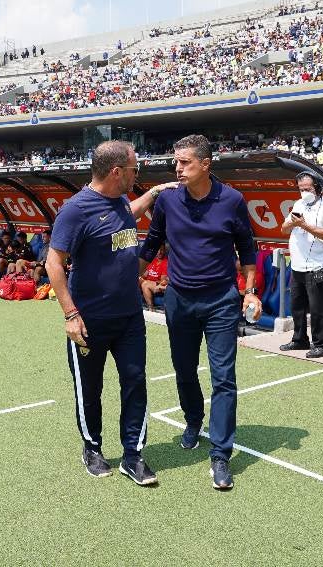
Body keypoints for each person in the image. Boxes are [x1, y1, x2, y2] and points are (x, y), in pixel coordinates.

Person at [47, 140, 174, 486]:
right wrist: (71, 314)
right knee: (90, 389)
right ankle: (92, 447)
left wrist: (154, 194)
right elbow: (54, 262)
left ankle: (133, 455)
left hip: (130, 318)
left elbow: (123, 215)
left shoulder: (119, 200)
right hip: (88, 320)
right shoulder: (75, 210)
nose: (139, 175)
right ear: (117, 172)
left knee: (135, 383)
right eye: (135, 169)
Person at [139, 134, 260, 490]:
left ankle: (220, 454)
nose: (177, 169)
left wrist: (250, 291)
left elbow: (247, 249)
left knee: (224, 377)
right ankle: (193, 420)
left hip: (221, 300)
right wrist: (126, 276)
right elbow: (151, 244)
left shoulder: (232, 200)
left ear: (206, 164)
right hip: (179, 299)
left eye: (185, 162)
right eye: (175, 162)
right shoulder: (168, 201)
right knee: (184, 369)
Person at [279, 172, 323, 358]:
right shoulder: (298, 204)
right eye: (301, 189)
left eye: (308, 188)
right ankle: (299, 339)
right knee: (297, 305)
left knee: (318, 307)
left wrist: (304, 225)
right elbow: (283, 228)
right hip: (297, 264)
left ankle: (322, 344)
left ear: (318, 187)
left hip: (317, 265)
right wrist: (292, 224)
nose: (304, 192)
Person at [140, 245, 169, 310]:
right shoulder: (153, 261)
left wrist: (149, 281)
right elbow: (145, 274)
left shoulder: (166, 263)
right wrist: (140, 277)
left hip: (157, 284)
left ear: (164, 251)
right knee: (136, 280)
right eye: (158, 250)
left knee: (145, 284)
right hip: (147, 281)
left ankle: (151, 308)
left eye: (161, 250)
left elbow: (162, 281)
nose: (159, 252)